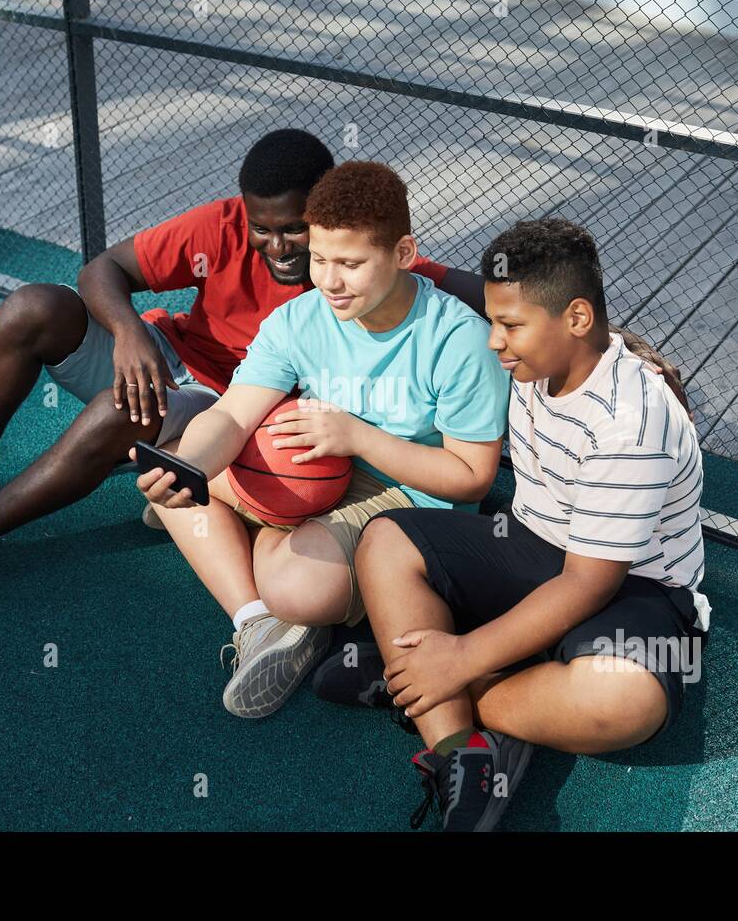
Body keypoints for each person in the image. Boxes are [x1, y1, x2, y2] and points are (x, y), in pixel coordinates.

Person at [0, 131, 466, 624]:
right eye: (262, 228)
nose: (276, 245)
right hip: (172, 360)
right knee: (35, 307)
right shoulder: (220, 227)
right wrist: (131, 332)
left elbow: (474, 289)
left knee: (121, 411)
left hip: (234, 410)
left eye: (293, 228)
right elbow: (102, 270)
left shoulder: (359, 261)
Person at [349, 218, 712, 830]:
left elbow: (588, 584)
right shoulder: (538, 342)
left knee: (626, 704)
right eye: (494, 320)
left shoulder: (632, 423)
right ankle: (459, 751)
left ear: (575, 319)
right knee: (385, 539)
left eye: (510, 326)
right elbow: (461, 283)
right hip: (531, 544)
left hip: (635, 587)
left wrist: (460, 659)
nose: (495, 341)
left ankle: (420, 684)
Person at [136, 161, 510, 718]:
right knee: (181, 470)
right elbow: (234, 415)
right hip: (324, 463)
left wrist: (356, 437)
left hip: (412, 495)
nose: (329, 280)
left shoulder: (459, 340)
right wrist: (187, 464)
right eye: (319, 258)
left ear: (404, 253)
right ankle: (257, 622)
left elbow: (471, 478)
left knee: (297, 588)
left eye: (351, 264)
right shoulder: (298, 319)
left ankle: (258, 544)